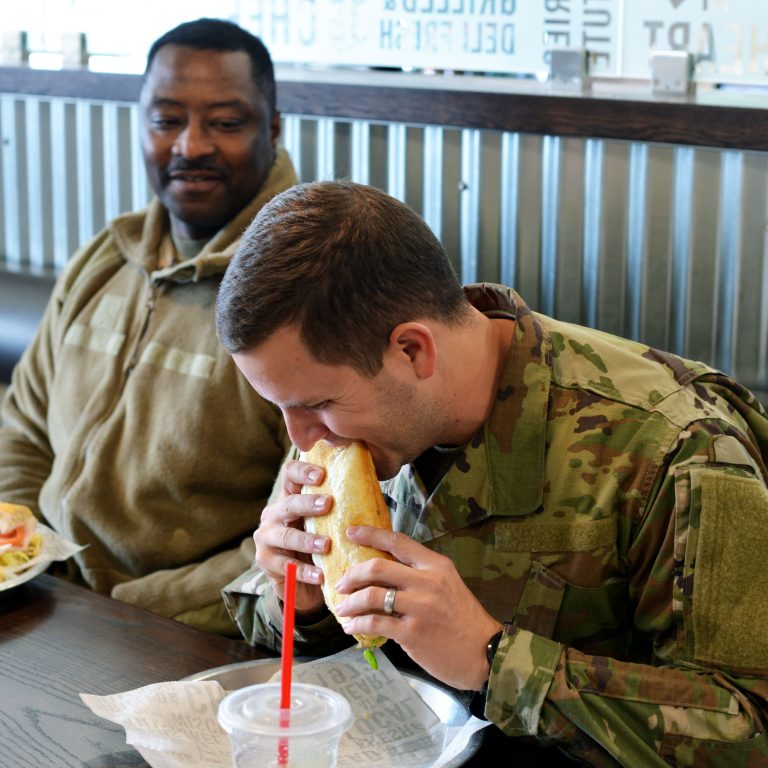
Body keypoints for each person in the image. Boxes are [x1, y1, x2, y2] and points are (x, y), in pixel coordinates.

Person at [216, 179, 768, 765]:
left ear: (412, 351)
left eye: (316, 403)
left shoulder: (679, 450)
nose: (299, 439)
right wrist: (302, 602)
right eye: (280, 407)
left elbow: (748, 729)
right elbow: (314, 658)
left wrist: (491, 657)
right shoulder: (346, 422)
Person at [0, 18, 299, 634]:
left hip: (182, 639)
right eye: (166, 120)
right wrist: (23, 556)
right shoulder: (105, 260)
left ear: (271, 128)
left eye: (225, 122)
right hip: (45, 606)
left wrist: (135, 611)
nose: (190, 145)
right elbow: (22, 427)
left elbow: (301, 534)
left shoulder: (306, 287)